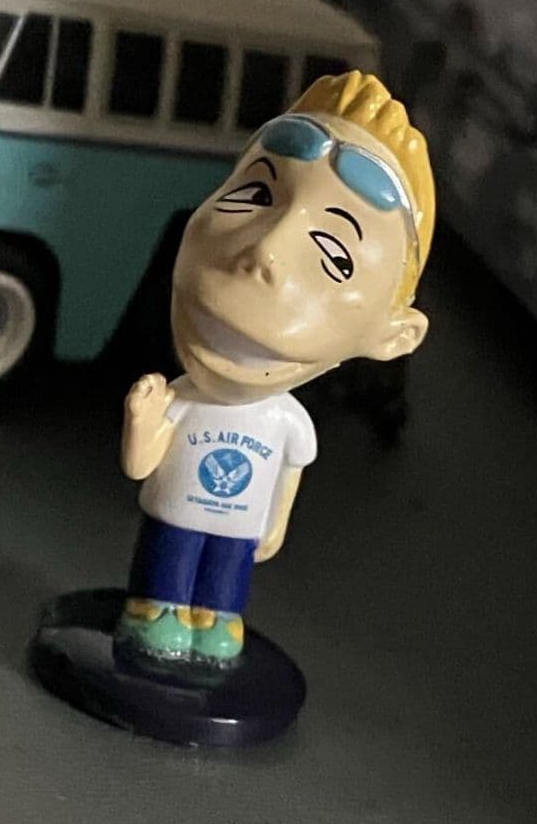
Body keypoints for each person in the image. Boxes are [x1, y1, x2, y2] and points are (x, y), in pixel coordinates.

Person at [117, 70, 436, 662]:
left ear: (395, 336)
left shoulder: (288, 424)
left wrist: (272, 527)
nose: (265, 249)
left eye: (335, 255)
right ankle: (154, 612)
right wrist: (142, 423)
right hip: (176, 518)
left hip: (237, 531)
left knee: (223, 583)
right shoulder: (182, 398)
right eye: (256, 195)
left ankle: (216, 622)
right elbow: (140, 466)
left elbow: (286, 481)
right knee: (169, 568)